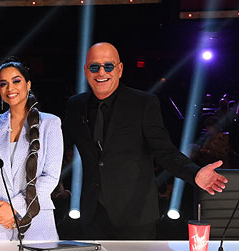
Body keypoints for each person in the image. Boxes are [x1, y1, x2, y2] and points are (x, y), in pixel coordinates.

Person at [62, 42, 227, 240]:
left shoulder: (143, 103)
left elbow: (165, 151)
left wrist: (194, 174)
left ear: (120, 69)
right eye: (94, 67)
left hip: (135, 215)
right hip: (91, 214)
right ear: (86, 70)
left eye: (108, 66)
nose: (101, 72)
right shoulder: (75, 105)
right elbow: (59, 147)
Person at [0, 58, 63, 241]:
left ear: (28, 84)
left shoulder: (50, 124)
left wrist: (14, 207)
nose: (10, 88)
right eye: (3, 84)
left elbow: (50, 176)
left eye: (16, 81)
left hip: (35, 223)